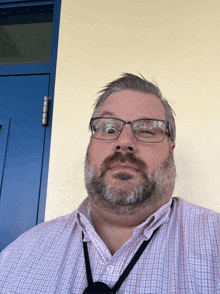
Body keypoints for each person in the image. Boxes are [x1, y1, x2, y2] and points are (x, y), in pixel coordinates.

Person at [0, 73, 219, 293]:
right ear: (90, 146)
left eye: (146, 130)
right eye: (110, 128)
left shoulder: (215, 242)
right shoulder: (16, 257)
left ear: (171, 150)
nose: (124, 142)